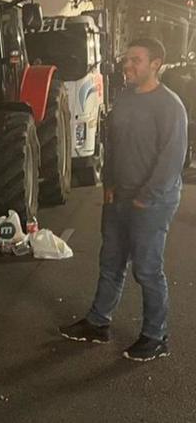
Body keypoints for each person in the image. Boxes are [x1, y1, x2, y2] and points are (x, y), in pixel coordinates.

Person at [60, 38, 187, 362]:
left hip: (152, 201)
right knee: (111, 262)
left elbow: (172, 158)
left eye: (136, 60)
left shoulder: (170, 105)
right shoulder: (125, 99)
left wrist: (147, 197)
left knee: (146, 269)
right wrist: (109, 185)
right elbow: (113, 145)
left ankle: (156, 336)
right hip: (119, 197)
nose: (127, 65)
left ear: (156, 63)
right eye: (126, 59)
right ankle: (98, 323)